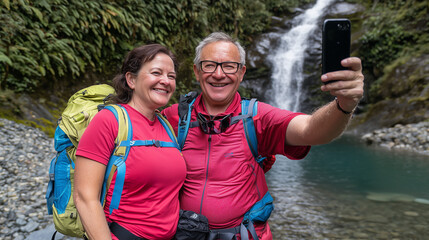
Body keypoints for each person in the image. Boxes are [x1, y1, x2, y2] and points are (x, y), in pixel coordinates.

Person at [162, 32, 364, 239]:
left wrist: (344, 104)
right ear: (196, 71)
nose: (219, 74)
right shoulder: (172, 118)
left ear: (241, 73)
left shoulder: (257, 117)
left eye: (229, 66)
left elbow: (310, 130)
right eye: (209, 65)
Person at [74, 44, 186, 240]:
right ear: (131, 79)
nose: (165, 81)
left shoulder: (167, 126)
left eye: (171, 76)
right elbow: (84, 196)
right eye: (156, 73)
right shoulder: (109, 121)